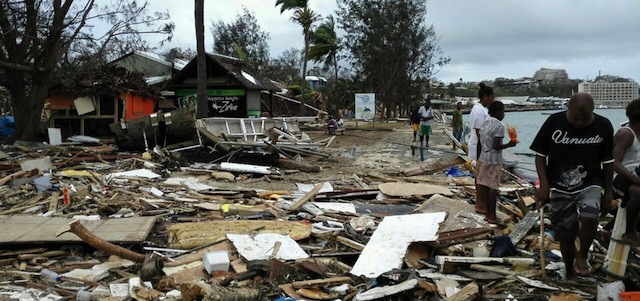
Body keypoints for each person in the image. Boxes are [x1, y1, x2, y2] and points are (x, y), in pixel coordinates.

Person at [530, 92, 614, 279]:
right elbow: (540, 156)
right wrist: (543, 185)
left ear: (592, 111)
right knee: (566, 233)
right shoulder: (554, 122)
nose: (579, 123)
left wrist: (608, 192)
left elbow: (608, 162)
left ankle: (582, 255)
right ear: (568, 109)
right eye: (575, 118)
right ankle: (569, 270)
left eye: (584, 119)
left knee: (590, 214)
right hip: (559, 184)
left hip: (590, 182)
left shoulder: (604, 125)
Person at [476, 101, 517, 224]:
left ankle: (487, 214)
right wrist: (510, 144)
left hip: (483, 158)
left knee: (484, 186)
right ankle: (492, 216)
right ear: (498, 111)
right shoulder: (499, 126)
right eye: (503, 111)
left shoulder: (485, 122)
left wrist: (478, 158)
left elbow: (480, 141)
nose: (504, 114)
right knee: (493, 188)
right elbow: (496, 146)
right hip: (494, 160)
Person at [612, 98, 640, 246]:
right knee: (638, 193)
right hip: (619, 178)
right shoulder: (626, 134)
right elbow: (615, 163)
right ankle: (629, 231)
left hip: (634, 175)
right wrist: (635, 179)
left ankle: (607, 229)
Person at [469, 83, 495, 214]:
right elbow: (480, 133)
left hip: (483, 145)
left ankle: (481, 201)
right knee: (480, 175)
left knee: (482, 175)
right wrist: (483, 153)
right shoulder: (479, 110)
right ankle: (480, 204)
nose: (493, 100)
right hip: (479, 146)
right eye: (492, 97)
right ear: (486, 97)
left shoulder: (483, 109)